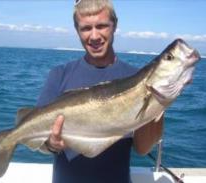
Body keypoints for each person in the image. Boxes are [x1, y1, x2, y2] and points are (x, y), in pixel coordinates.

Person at [36, 0, 163, 182]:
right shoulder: (59, 75)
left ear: (115, 25)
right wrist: (51, 144)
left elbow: (142, 148)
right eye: (86, 28)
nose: (94, 36)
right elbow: (41, 143)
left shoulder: (137, 78)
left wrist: (159, 101)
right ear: (76, 30)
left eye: (102, 26)